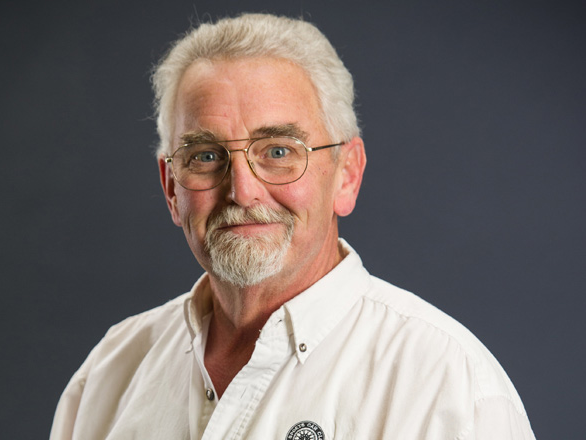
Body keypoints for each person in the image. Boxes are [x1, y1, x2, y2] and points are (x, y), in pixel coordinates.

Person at [50, 13, 535, 439]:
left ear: (346, 175)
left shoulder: (449, 388)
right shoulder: (109, 375)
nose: (242, 191)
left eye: (278, 151)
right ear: (171, 187)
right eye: (205, 156)